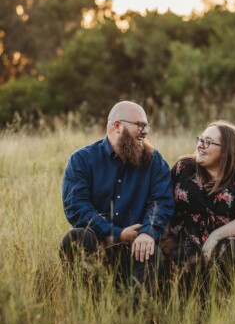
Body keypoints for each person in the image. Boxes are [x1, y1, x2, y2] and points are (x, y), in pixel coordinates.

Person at [60, 101, 174, 292]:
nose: (145, 131)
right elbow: (77, 207)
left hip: (137, 244)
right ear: (117, 125)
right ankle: (86, 302)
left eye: (147, 125)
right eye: (140, 125)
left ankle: (138, 316)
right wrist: (116, 233)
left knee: (149, 250)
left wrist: (148, 232)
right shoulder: (81, 160)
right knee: (76, 238)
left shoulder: (154, 160)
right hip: (98, 242)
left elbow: (162, 201)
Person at [167, 120, 235, 294]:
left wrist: (215, 236)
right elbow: (162, 201)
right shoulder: (183, 168)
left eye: (208, 142)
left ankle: (231, 303)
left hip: (229, 239)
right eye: (200, 139)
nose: (200, 145)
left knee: (228, 249)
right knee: (185, 254)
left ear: (226, 150)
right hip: (188, 238)